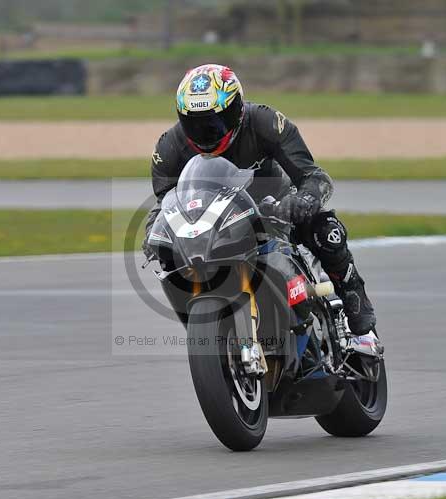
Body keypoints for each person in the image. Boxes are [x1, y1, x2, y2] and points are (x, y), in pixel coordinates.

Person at [144, 64, 376, 335]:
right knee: (174, 262)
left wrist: (303, 200)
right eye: (194, 123)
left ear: (237, 108)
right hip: (215, 224)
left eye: (216, 121)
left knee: (326, 229)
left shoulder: (265, 123)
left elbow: (314, 177)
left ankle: (352, 292)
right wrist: (154, 235)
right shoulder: (168, 149)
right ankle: (211, 327)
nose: (207, 132)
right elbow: (166, 204)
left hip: (274, 207)